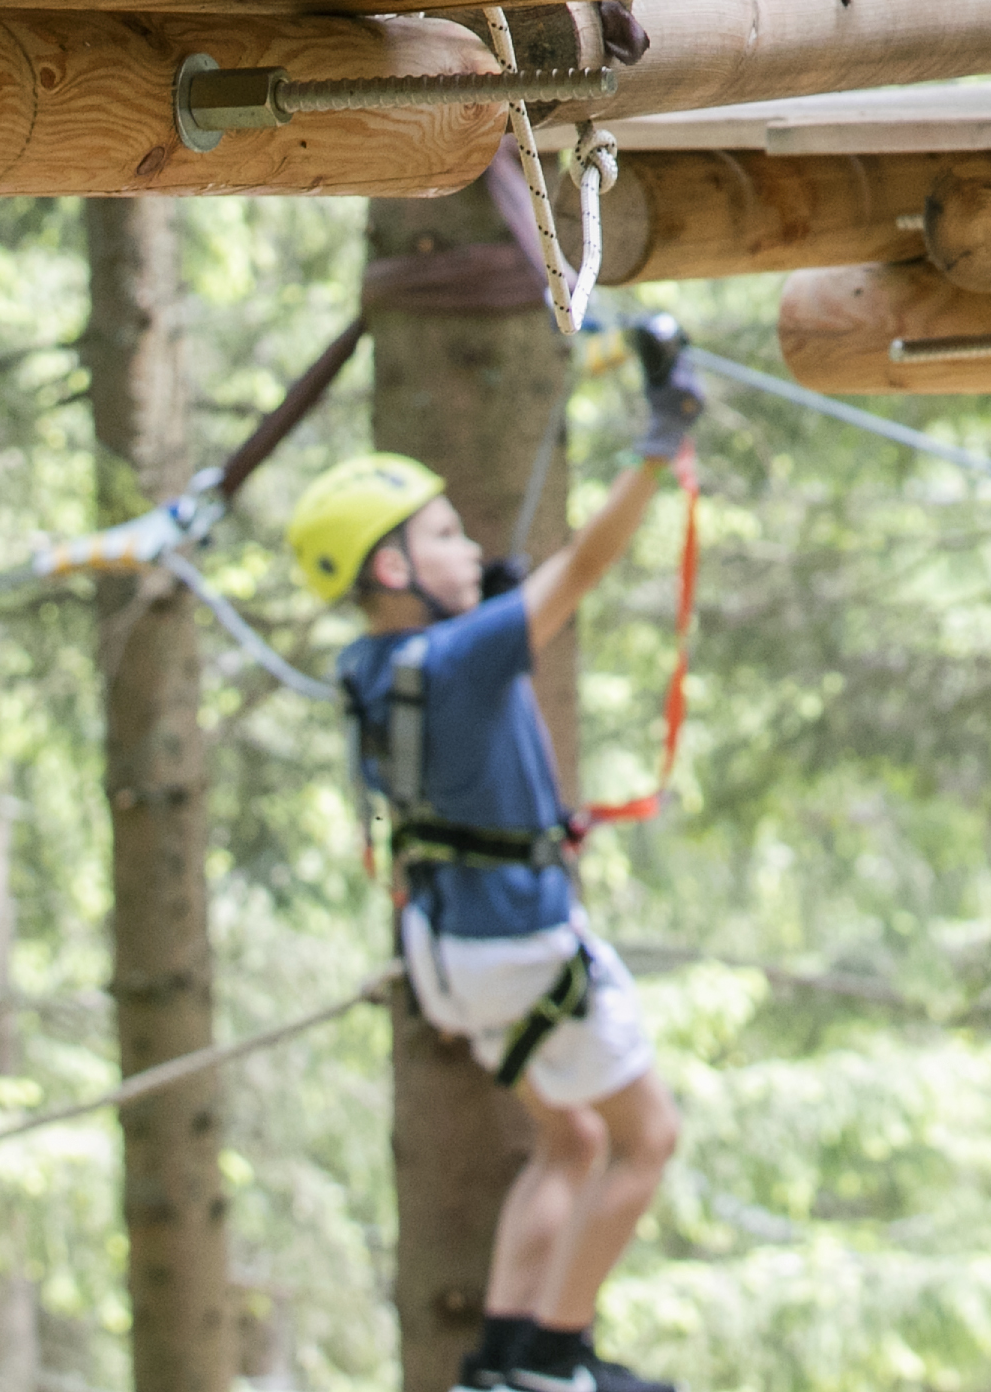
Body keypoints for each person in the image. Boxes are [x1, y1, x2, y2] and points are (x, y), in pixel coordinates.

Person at [295, 336, 703, 1392]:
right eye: (442, 536)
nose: (468, 543)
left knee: (568, 1141)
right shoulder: (463, 655)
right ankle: (559, 1363)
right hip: (519, 944)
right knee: (644, 1137)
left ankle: (503, 1359)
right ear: (393, 570)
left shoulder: (377, 663)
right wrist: (659, 445)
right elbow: (586, 566)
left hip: (455, 949)